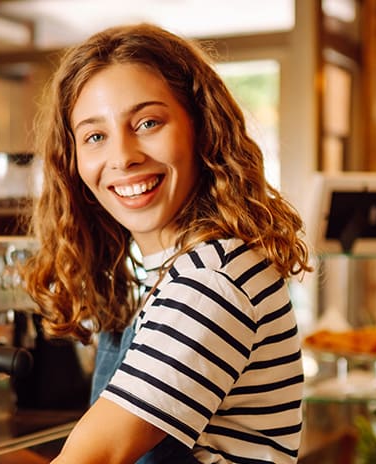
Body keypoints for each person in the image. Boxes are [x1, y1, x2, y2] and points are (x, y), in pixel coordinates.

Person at [20, 23, 313, 464]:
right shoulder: (178, 271)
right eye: (95, 136)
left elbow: (95, 458)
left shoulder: (212, 280)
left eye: (148, 122)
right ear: (73, 160)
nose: (123, 156)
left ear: (202, 128)